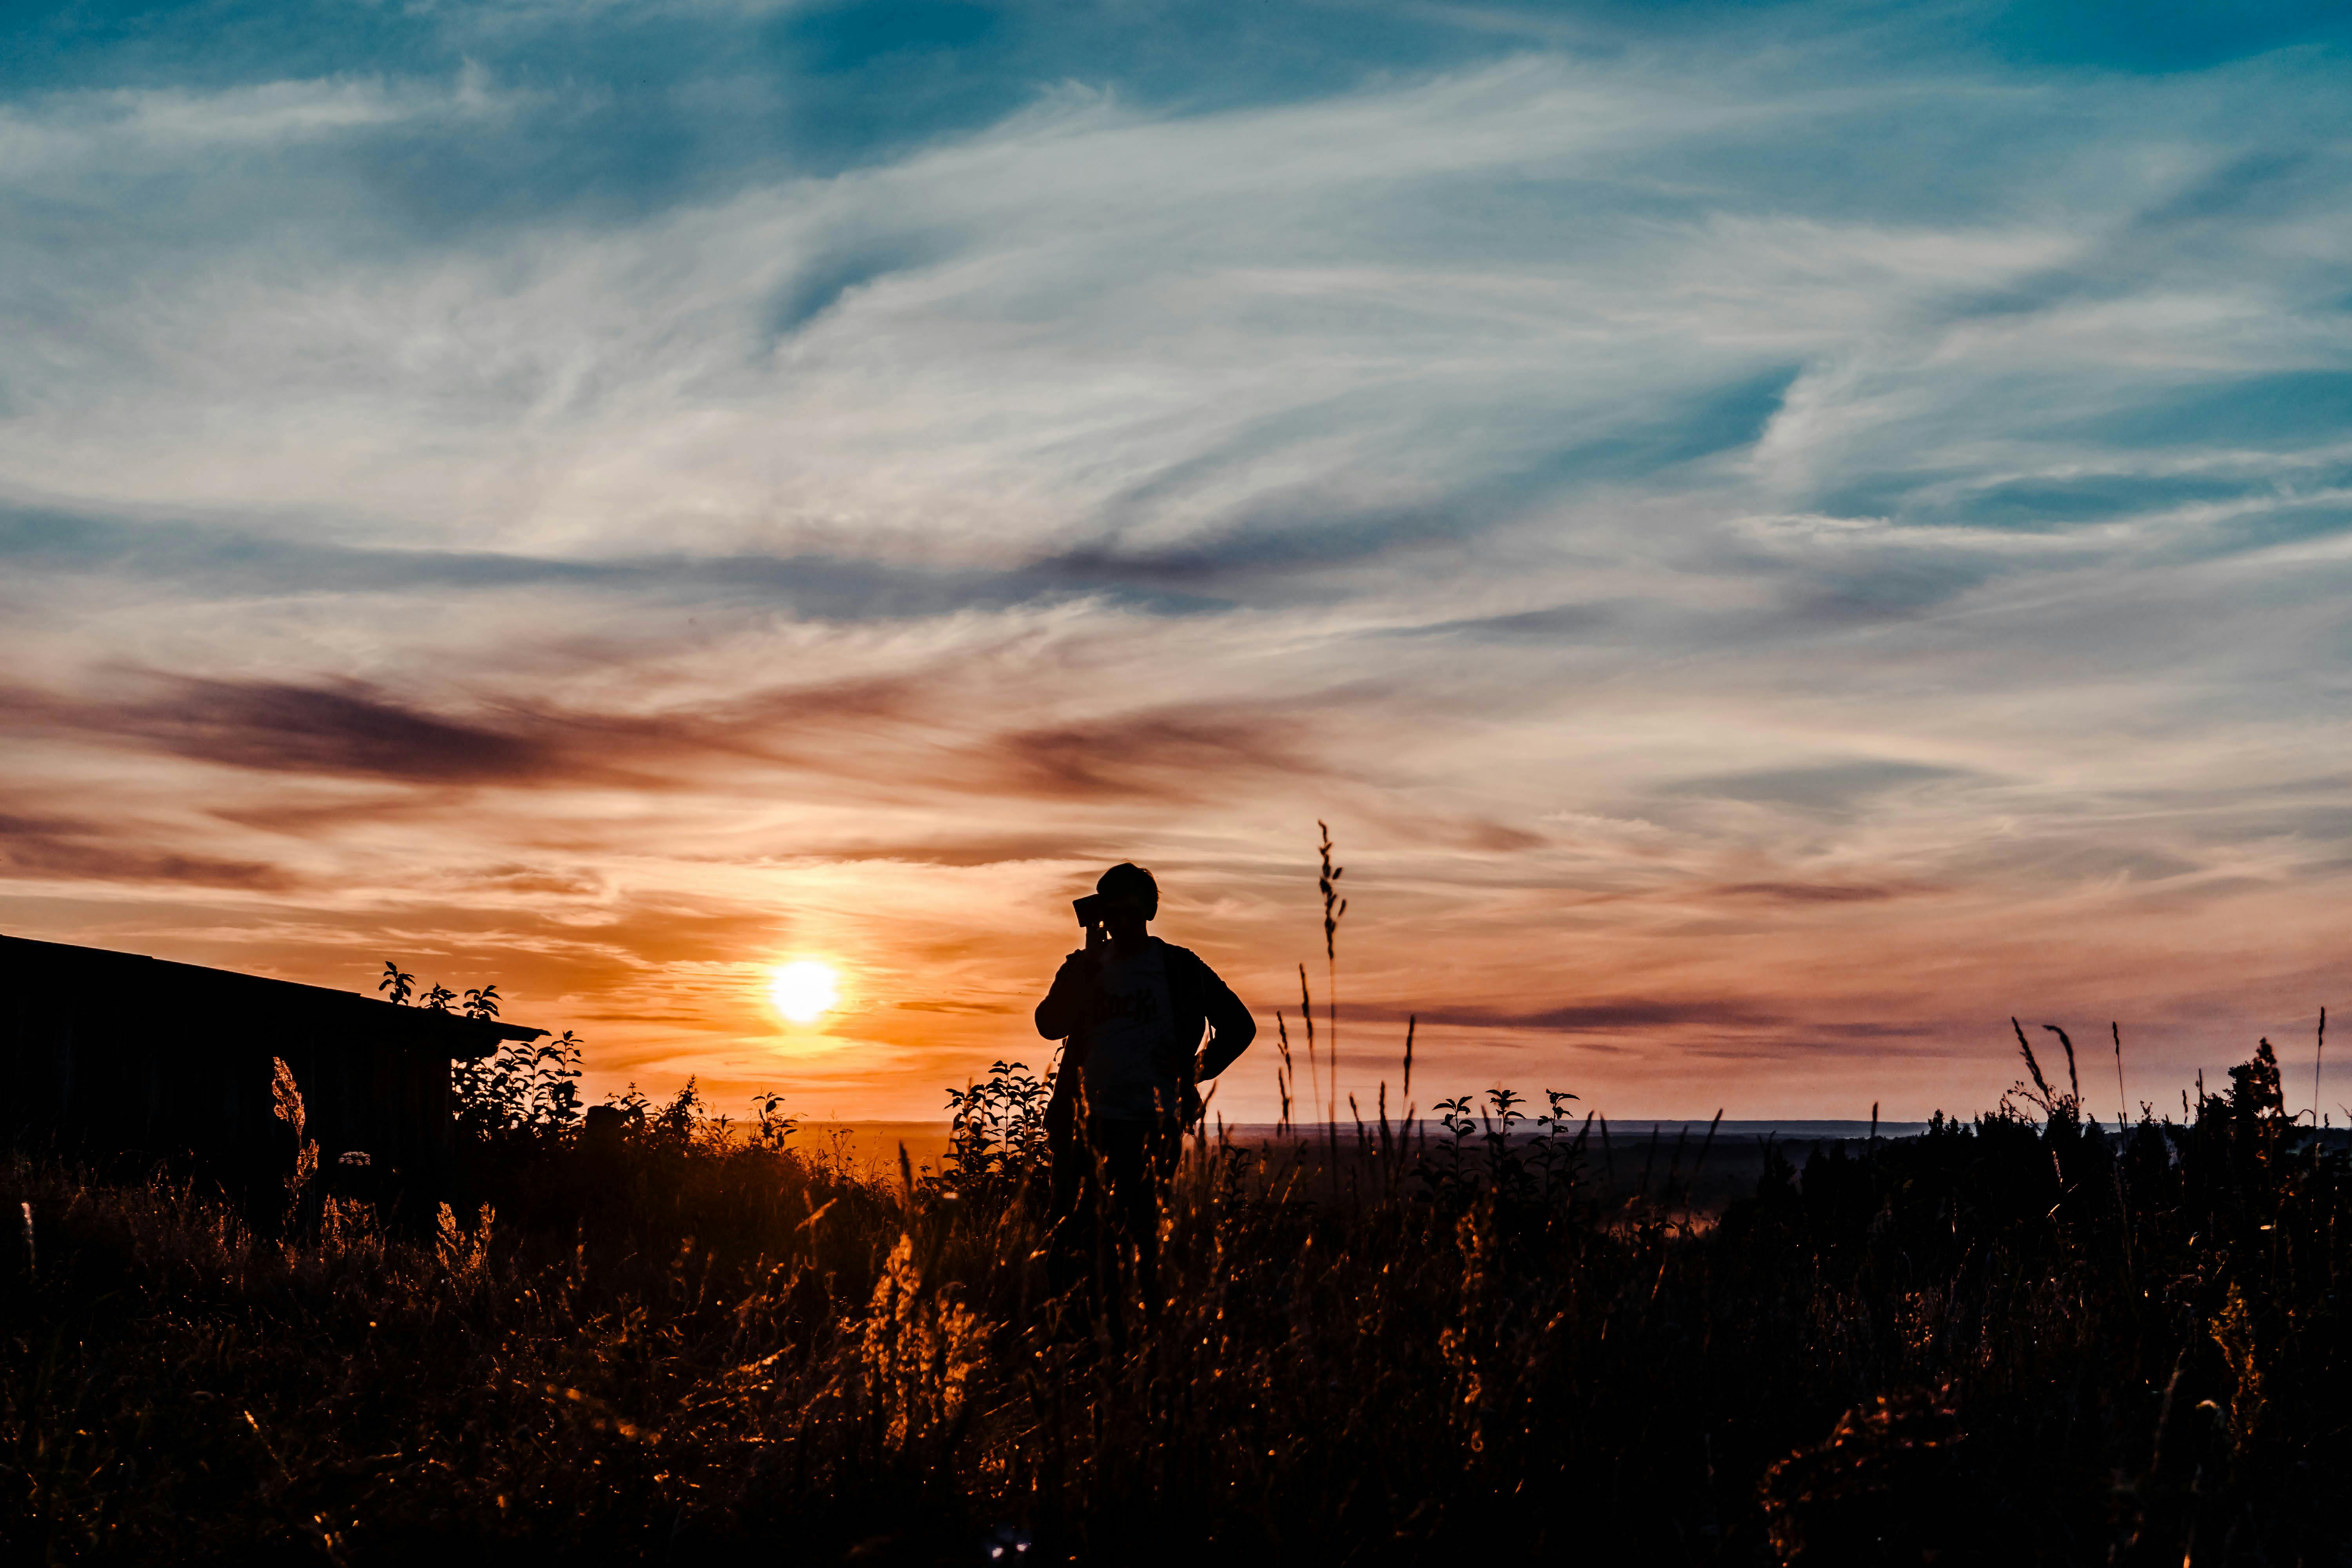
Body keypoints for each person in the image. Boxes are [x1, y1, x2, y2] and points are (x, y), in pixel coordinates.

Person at [1034, 862, 1254, 1311]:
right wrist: (1087, 968)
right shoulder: (1086, 968)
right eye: (1110, 912)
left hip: (1151, 1127)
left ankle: (1136, 1343)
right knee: (1070, 1244)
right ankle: (1071, 1344)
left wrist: (1192, 1071)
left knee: (1139, 1243)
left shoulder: (1179, 968)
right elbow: (1049, 1024)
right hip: (1084, 1127)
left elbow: (1239, 1025)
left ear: (1149, 910)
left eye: (1129, 909)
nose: (1120, 921)